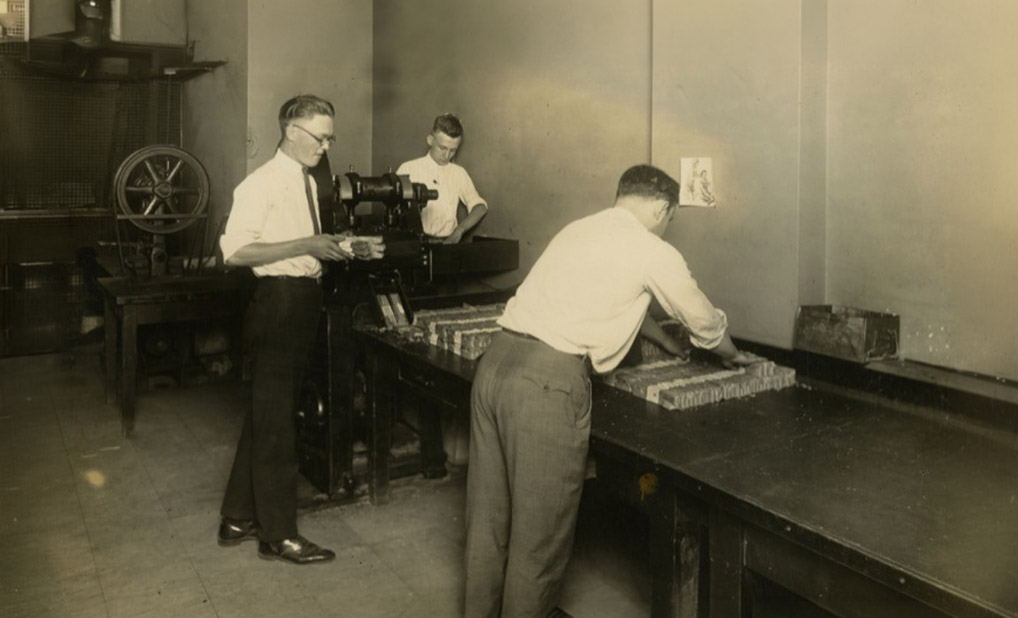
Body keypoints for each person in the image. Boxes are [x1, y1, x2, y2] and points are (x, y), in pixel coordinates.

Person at [463, 164, 764, 616]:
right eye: (670, 217)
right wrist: (731, 353)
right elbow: (701, 320)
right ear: (663, 207)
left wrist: (663, 341)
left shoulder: (579, 230)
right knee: (538, 544)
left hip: (495, 367)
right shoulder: (650, 248)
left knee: (487, 528)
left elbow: (619, 298)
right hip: (546, 383)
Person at [217, 94, 357, 565]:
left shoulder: (305, 180)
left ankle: (237, 516)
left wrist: (341, 246)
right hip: (278, 304)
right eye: (322, 136)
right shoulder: (260, 184)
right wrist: (308, 243)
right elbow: (235, 252)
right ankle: (278, 534)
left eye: (330, 137)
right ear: (293, 132)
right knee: (278, 421)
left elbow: (305, 242)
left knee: (268, 412)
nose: (326, 145)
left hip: (301, 300)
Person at [396, 113, 488, 244]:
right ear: (430, 140)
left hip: (447, 245)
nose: (446, 155)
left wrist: (459, 231)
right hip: (414, 244)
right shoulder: (408, 169)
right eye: (442, 148)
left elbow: (480, 207)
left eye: (453, 150)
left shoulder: (458, 173)